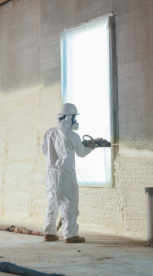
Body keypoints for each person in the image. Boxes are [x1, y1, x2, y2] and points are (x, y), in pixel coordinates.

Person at [41, 103, 95, 243]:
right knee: (69, 203)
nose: (75, 121)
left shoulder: (49, 132)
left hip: (51, 173)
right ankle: (71, 235)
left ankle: (49, 233)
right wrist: (92, 147)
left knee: (52, 202)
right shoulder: (72, 135)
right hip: (65, 173)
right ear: (69, 118)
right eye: (74, 118)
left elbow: (44, 151)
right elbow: (82, 153)